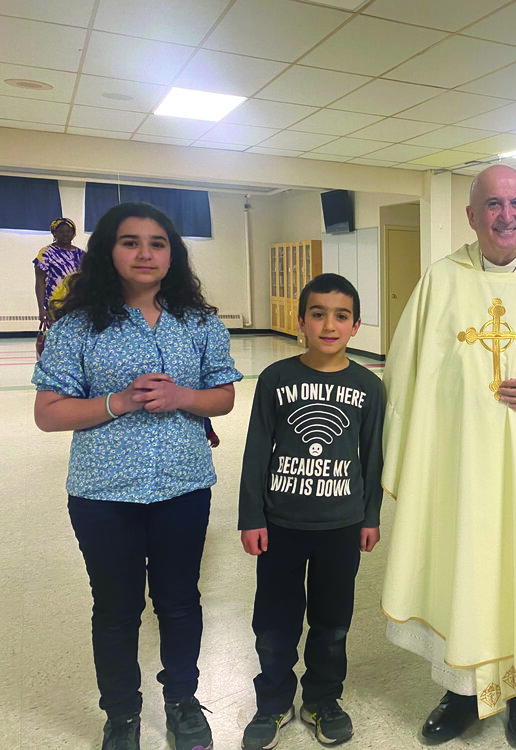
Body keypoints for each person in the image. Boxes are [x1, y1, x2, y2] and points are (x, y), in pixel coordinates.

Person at [381, 164, 516, 748]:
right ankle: (462, 696)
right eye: (493, 205)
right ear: (471, 216)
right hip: (461, 467)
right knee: (466, 573)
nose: (507, 216)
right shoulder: (440, 280)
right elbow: (406, 369)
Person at [32, 202, 241, 750]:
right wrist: (118, 401)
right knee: (117, 609)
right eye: (131, 242)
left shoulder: (199, 323)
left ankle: (182, 701)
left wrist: (183, 396)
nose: (145, 253)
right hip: (103, 494)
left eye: (158, 243)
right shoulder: (77, 327)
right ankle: (121, 713)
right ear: (108, 251)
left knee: (179, 601)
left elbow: (223, 396)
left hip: (183, 486)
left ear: (173, 253)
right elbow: (48, 412)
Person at [238, 273, 384, 750]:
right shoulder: (277, 379)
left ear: (356, 325)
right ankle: (274, 699)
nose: (328, 325)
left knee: (332, 619)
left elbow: (373, 455)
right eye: (318, 314)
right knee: (275, 619)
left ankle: (322, 698)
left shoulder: (367, 386)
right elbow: (257, 448)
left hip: (342, 525)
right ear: (300, 321)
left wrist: (371, 516)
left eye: (341, 316)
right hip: (281, 524)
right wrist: (251, 515)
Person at [34, 217, 85, 354]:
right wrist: (41, 309)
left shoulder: (81, 255)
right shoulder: (46, 253)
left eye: (68, 231)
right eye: (61, 231)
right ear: (54, 233)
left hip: (78, 303)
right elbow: (40, 281)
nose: (65, 234)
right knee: (58, 340)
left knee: (78, 340)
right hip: (55, 305)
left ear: (73, 233)